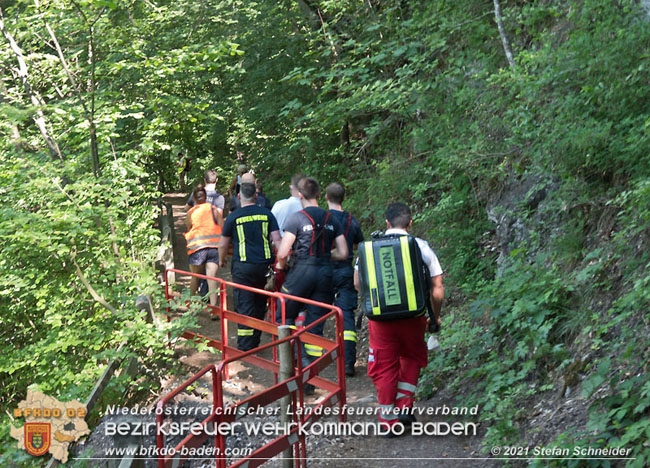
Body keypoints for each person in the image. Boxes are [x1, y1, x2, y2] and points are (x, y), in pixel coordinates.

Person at [354, 203, 444, 435]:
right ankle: (404, 405)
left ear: (386, 223)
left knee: (384, 365)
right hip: (414, 318)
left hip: (381, 321)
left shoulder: (369, 248)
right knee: (412, 357)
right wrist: (435, 315)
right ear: (410, 223)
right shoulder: (421, 246)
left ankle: (388, 420)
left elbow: (357, 283)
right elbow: (437, 286)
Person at [275, 177, 348, 394]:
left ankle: (297, 363)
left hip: (301, 272)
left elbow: (282, 252)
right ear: (319, 194)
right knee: (315, 327)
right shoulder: (332, 218)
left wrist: (283, 266)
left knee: (283, 315)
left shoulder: (297, 218)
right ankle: (310, 378)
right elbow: (343, 252)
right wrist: (324, 257)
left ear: (300, 195)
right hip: (325, 273)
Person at [219, 181, 281, 351]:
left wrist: (221, 260)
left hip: (243, 267)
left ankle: (246, 347)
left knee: (244, 303)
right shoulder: (267, 214)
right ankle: (255, 339)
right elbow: (277, 240)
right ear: (256, 196)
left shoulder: (233, 217)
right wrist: (282, 262)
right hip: (264, 267)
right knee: (261, 303)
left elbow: (223, 244)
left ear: (239, 197)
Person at [325, 182, 364, 377]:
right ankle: (349, 363)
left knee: (317, 313)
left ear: (326, 197)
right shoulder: (351, 220)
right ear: (344, 198)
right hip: (346, 272)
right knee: (346, 316)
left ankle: (312, 363)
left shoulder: (321, 219)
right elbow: (359, 244)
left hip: (323, 272)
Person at [184, 185, 224, 312]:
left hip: (197, 248)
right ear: (206, 198)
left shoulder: (191, 212)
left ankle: (191, 308)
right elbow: (222, 227)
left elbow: (189, 228)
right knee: (211, 278)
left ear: (195, 198)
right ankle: (213, 310)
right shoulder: (213, 209)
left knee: (195, 277)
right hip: (213, 248)